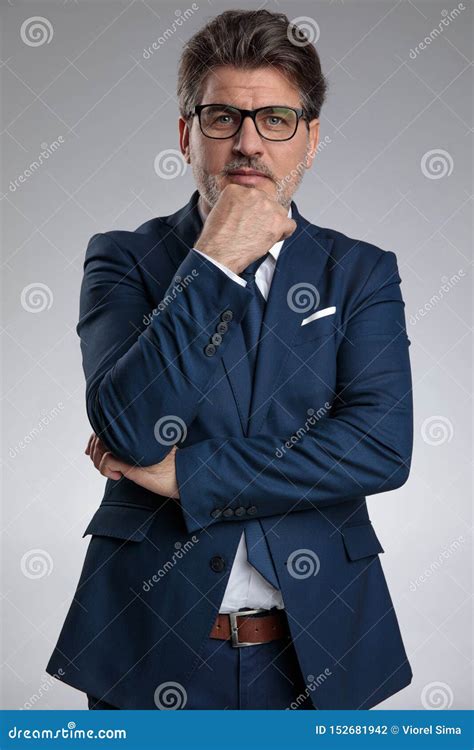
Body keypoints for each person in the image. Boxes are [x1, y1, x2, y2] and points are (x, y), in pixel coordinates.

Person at [46, 9, 413, 710]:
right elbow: (131, 426)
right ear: (187, 134)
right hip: (148, 645)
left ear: (310, 140)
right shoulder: (124, 258)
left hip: (321, 650)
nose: (248, 142)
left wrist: (193, 473)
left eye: (276, 119)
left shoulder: (360, 273)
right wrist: (214, 260)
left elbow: (378, 448)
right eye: (222, 118)